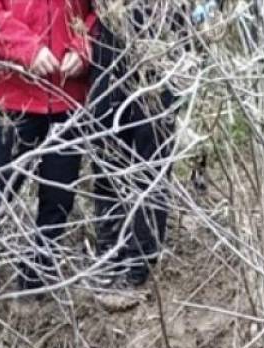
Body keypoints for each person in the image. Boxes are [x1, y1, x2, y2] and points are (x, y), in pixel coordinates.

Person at [0, 0, 98, 296]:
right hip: (15, 98)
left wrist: (83, 47)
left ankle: (36, 284)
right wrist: (28, 49)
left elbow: (101, 14)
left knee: (58, 199)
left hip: (69, 100)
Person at [87, 0, 179, 307]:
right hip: (109, 43)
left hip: (161, 44)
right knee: (106, 150)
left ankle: (140, 265)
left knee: (151, 159)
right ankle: (109, 254)